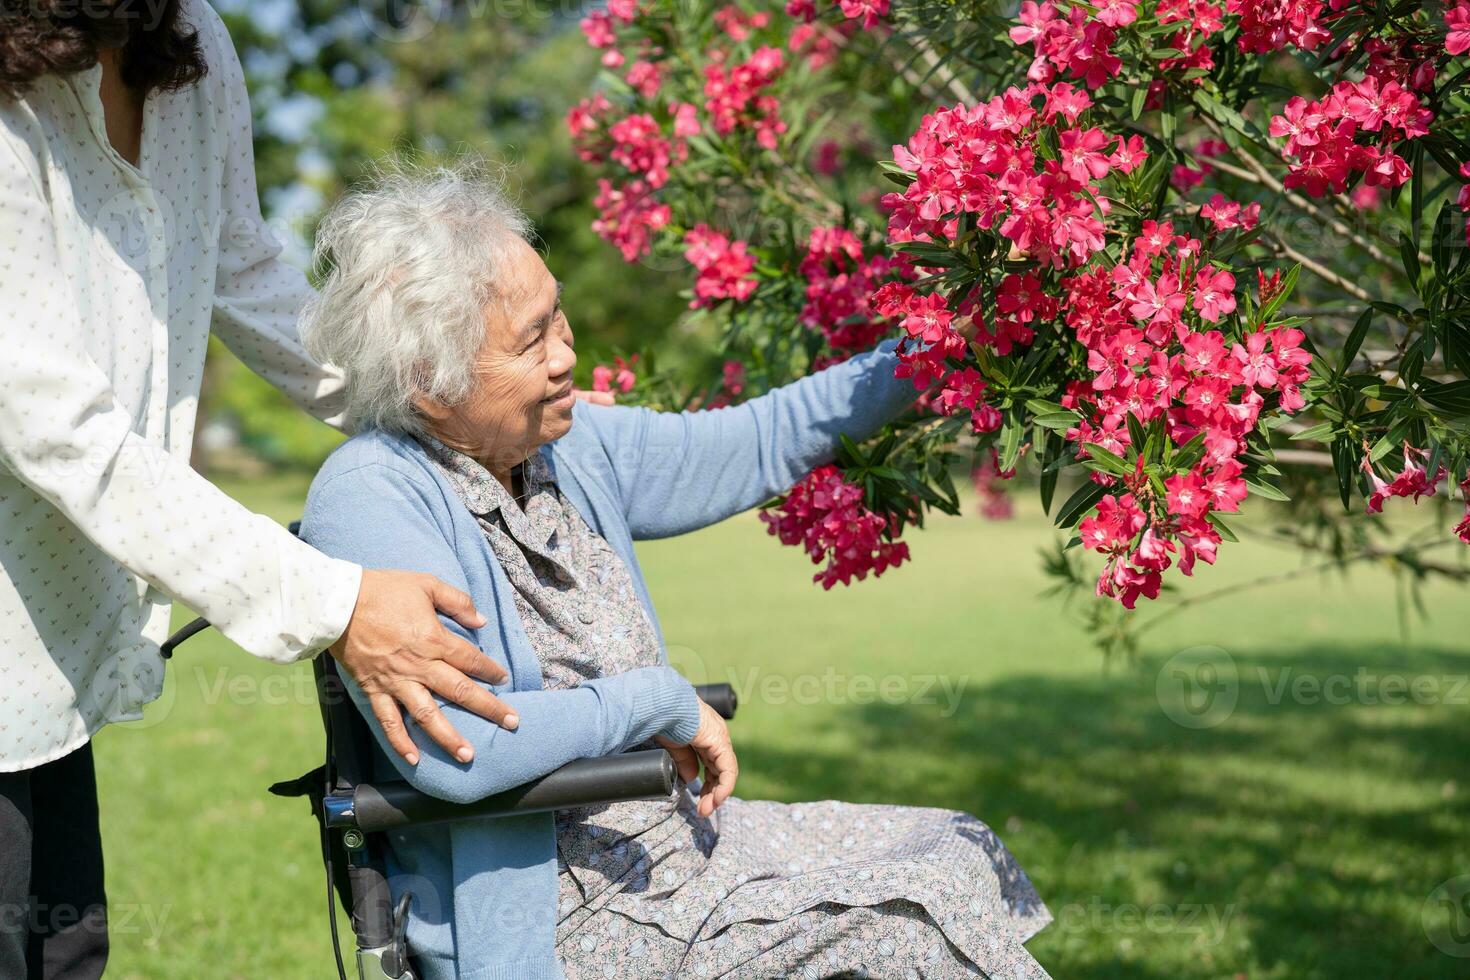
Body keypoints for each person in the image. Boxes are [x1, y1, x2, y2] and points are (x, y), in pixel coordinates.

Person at [299, 160, 1054, 980]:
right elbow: (461, 748)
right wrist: (651, 700)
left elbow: (760, 441)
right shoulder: (374, 496)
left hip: (674, 840)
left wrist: (942, 339)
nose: (567, 353)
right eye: (532, 340)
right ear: (431, 386)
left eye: (559, 318)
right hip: (562, 914)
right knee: (896, 931)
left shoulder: (567, 446)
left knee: (954, 849)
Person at [0, 4, 527, 976]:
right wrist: (335, 599)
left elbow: (241, 265)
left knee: (66, 950)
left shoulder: (190, 42)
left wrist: (436, 396)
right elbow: (52, 421)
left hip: (39, 665)